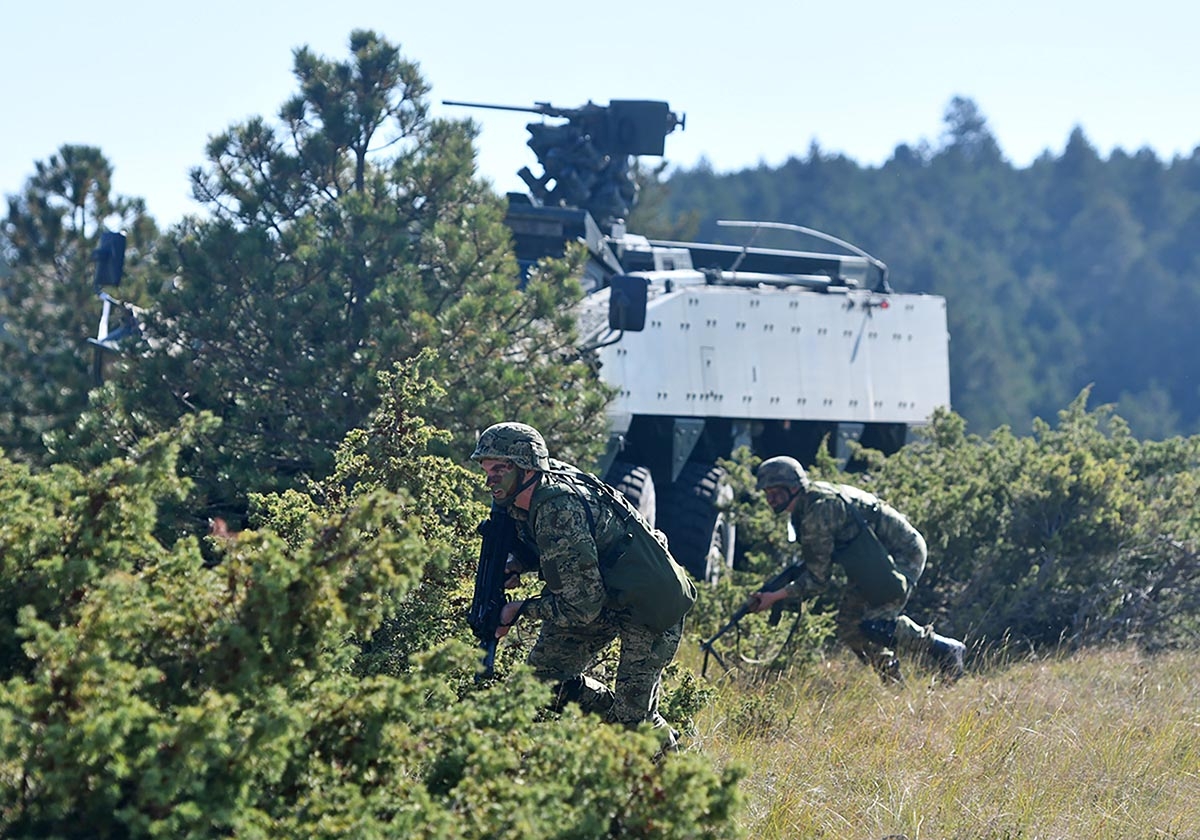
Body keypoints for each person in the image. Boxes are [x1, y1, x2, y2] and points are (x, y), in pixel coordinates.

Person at [470, 422, 696, 744]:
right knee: (541, 683)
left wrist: (519, 610)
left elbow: (582, 607)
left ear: (525, 467)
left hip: (650, 601)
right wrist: (521, 562)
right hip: (605, 592)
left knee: (636, 723)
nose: (490, 478)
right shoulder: (527, 493)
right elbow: (569, 553)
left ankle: (673, 779)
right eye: (486, 468)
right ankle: (613, 718)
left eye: (499, 469)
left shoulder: (556, 506)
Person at [748, 455, 966, 683]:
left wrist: (774, 597)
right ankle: (893, 682)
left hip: (902, 553)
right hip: (872, 558)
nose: (770, 500)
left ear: (793, 487)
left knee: (875, 624)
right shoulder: (808, 503)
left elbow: (817, 580)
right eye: (767, 494)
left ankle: (946, 650)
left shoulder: (818, 512)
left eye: (775, 493)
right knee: (850, 626)